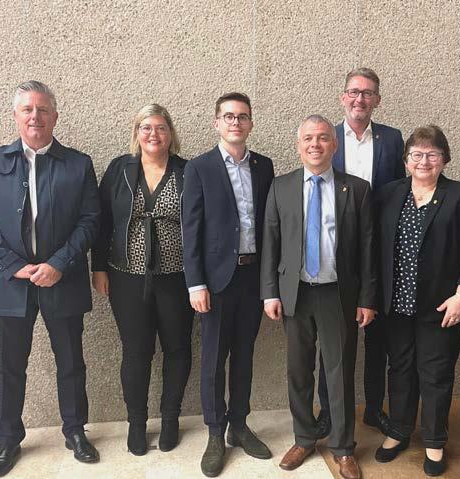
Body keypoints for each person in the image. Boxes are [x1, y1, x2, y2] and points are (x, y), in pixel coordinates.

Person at [0, 80, 101, 477]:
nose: (35, 116)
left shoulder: (78, 164)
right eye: (27, 109)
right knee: (9, 366)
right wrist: (11, 264)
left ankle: (75, 432)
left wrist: (59, 263)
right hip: (10, 284)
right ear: (16, 116)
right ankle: (8, 439)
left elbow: (90, 220)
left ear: (55, 117)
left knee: (71, 363)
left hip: (63, 278)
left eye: (42, 110)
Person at [261, 115, 376, 479]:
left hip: (337, 294)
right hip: (294, 295)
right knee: (298, 370)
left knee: (338, 372)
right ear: (299, 145)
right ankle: (304, 438)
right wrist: (269, 293)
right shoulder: (281, 186)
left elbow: (368, 250)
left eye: (323, 138)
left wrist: (367, 298)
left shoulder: (356, 189)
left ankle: (343, 448)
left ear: (334, 145)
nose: (315, 144)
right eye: (308, 138)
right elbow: (271, 243)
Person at [373, 125, 460, 476]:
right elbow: (375, 246)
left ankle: (435, 441)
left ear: (445, 159)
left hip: (442, 306)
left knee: (435, 374)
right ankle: (399, 431)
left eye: (432, 154)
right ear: (406, 160)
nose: (424, 161)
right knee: (400, 369)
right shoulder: (389, 194)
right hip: (396, 305)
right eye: (417, 155)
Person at [181, 92, 274, 477]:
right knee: (214, 359)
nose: (236, 122)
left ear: (250, 123)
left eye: (242, 116)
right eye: (229, 116)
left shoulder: (264, 166)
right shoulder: (199, 167)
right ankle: (215, 432)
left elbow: (270, 225)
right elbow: (191, 230)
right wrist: (195, 284)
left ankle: (239, 424)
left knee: (244, 355)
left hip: (253, 277)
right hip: (216, 281)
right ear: (217, 123)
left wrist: (271, 282)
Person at [91, 104, 193, 455]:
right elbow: (102, 221)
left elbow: (201, 223)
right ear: (137, 133)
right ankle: (137, 423)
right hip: (127, 278)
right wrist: (98, 267)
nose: (153, 134)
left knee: (178, 349)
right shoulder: (120, 169)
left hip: (177, 279)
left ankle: (170, 418)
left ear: (171, 133)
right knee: (136, 352)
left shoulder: (187, 171)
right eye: (146, 127)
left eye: (161, 127)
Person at [315, 67, 406, 439]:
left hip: (378, 250)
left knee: (377, 338)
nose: (360, 99)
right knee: (332, 340)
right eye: (354, 92)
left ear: (377, 100)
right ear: (343, 97)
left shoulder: (392, 139)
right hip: (334, 251)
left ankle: (373, 409)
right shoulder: (327, 137)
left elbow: (398, 190)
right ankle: (327, 413)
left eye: (367, 93)